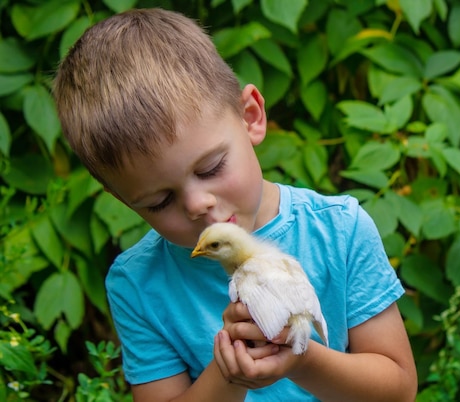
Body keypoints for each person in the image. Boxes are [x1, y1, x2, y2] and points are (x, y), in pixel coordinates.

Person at [53, 8, 417, 402]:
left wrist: (300, 356)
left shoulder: (340, 230)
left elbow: (397, 390)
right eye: (160, 202)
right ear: (123, 200)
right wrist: (230, 370)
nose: (197, 205)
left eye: (211, 167)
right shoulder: (138, 284)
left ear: (251, 116)